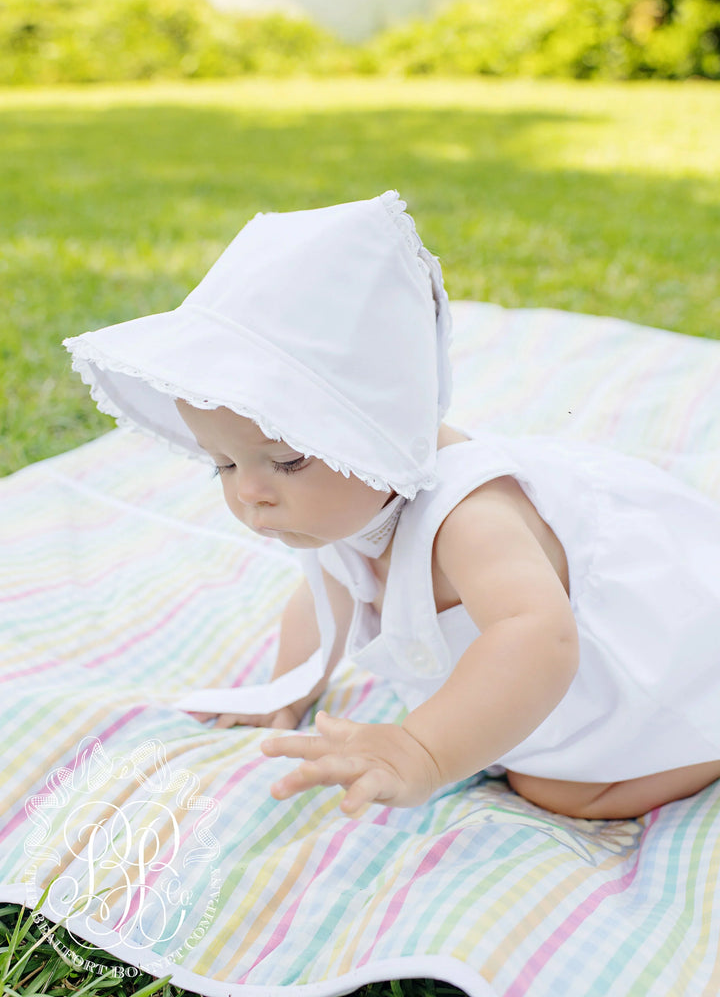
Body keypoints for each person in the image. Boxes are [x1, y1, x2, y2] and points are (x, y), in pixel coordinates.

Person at [64, 191, 720, 822]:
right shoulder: (345, 505)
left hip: (651, 639)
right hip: (534, 659)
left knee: (556, 784)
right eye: (224, 465)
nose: (249, 492)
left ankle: (705, 748)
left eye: (286, 461)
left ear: (380, 425)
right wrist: (289, 689)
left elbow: (539, 638)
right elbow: (326, 592)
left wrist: (422, 749)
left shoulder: (470, 517)